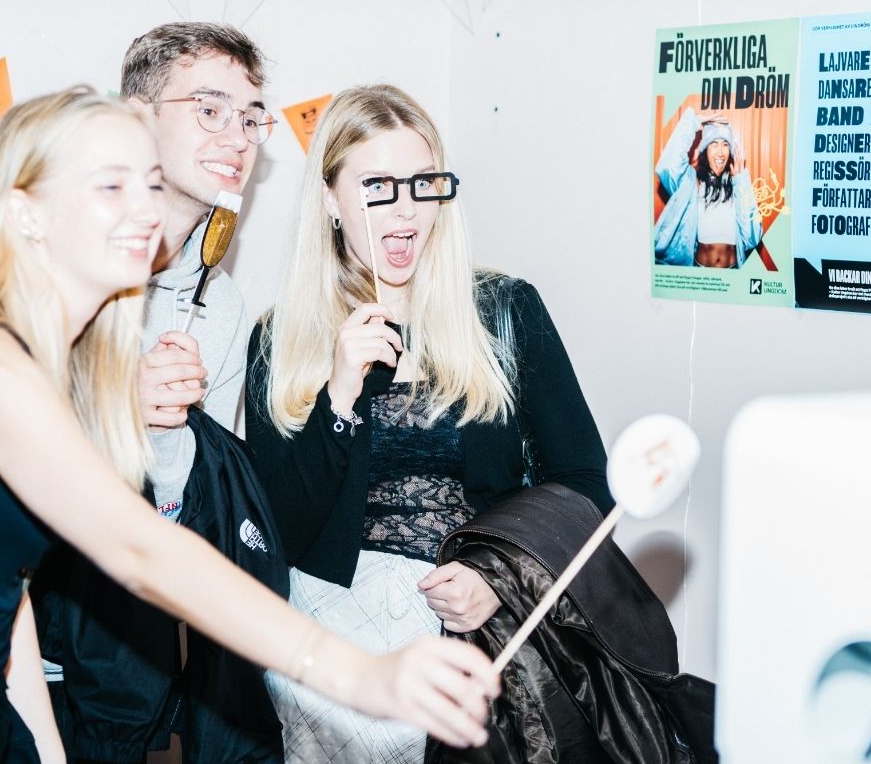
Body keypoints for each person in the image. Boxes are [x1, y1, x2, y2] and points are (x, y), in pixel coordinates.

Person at [0, 86, 499, 764]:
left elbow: (2, 588)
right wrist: (361, 675)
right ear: (24, 214)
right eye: (110, 186)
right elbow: (138, 550)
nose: (146, 209)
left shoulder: (61, 360)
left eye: (151, 182)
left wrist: (44, 751)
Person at [245, 84, 613, 763]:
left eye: (422, 183)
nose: (405, 208)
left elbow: (585, 483)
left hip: (479, 629)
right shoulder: (281, 337)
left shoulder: (504, 311)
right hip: (335, 639)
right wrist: (339, 398)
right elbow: (277, 533)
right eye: (377, 186)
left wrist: (497, 577)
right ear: (330, 200)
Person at [29, 24, 285, 763]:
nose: (237, 136)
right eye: (209, 109)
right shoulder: (48, 257)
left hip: (124, 668)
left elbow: (190, 509)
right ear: (138, 117)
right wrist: (113, 407)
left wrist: (168, 437)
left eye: (251, 117)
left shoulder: (223, 304)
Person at [653, 107, 762, 268]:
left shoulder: (737, 185)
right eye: (714, 144)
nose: (720, 152)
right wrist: (693, 122)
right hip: (700, 272)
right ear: (705, 150)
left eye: (725, 144)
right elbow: (668, 167)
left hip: (732, 272)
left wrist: (742, 182)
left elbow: (753, 238)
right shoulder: (693, 183)